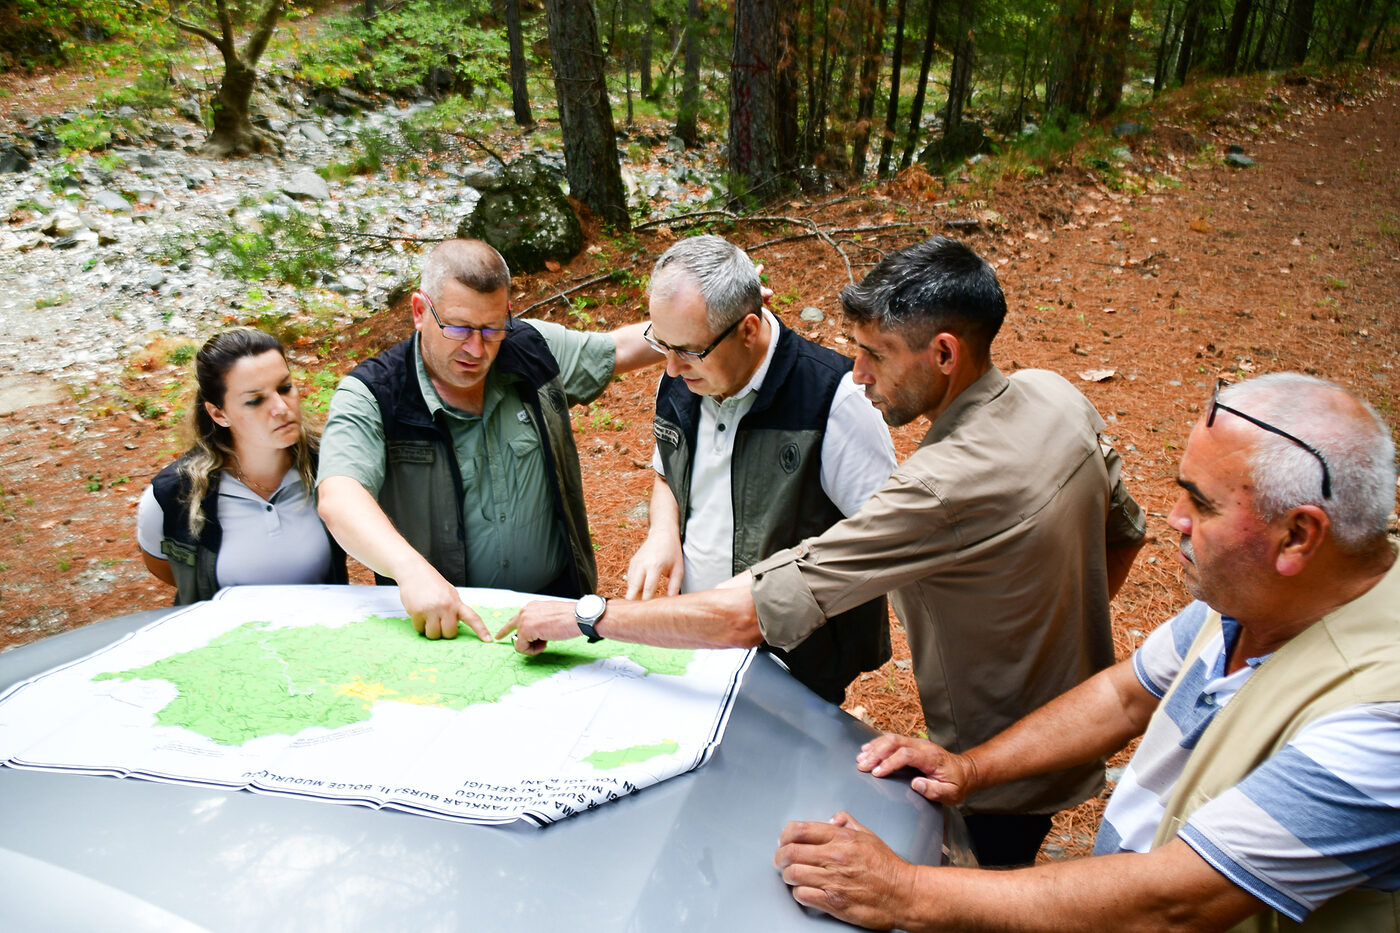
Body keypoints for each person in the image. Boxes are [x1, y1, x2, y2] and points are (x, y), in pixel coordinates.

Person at [505, 236, 1147, 865]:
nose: (859, 372)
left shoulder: (934, 485)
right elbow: (1124, 532)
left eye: (876, 354)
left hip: (995, 763)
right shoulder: (1055, 394)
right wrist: (1050, 630)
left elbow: (749, 612)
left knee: (985, 892)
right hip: (1061, 727)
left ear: (944, 353)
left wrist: (588, 617)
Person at [773, 372, 1400, 932]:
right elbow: (1122, 695)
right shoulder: (1251, 598)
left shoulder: (1381, 713)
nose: (1174, 517)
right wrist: (971, 770)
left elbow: (1178, 903)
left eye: (1202, 504)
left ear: (1297, 535)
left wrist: (907, 891)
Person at [316, 238, 660, 642]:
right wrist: (411, 571)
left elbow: (618, 348)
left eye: (492, 328)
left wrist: (711, 320)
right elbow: (339, 496)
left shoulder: (530, 349)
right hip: (447, 627)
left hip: (556, 614)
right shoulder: (374, 393)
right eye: (458, 327)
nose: (476, 348)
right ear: (419, 311)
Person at [627, 235, 897, 703]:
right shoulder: (680, 378)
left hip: (796, 666)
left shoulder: (834, 399)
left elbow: (884, 540)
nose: (669, 367)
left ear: (748, 329)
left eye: (688, 350)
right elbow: (668, 474)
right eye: (661, 344)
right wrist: (662, 532)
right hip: (696, 647)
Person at [137, 327, 347, 605]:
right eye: (254, 400)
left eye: (285, 388)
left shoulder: (332, 469)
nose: (281, 407)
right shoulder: (173, 495)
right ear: (219, 413)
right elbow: (166, 569)